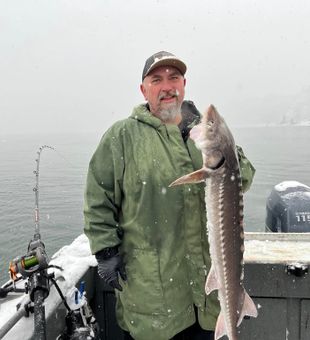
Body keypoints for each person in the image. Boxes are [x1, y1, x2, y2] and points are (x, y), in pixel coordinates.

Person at [84, 51, 255, 340]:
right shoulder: (122, 136)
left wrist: (217, 141)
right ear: (143, 89)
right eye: (157, 79)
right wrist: (104, 249)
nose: (167, 86)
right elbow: (98, 199)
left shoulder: (201, 135)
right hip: (153, 300)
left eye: (174, 78)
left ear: (184, 84)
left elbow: (245, 177)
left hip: (206, 301)